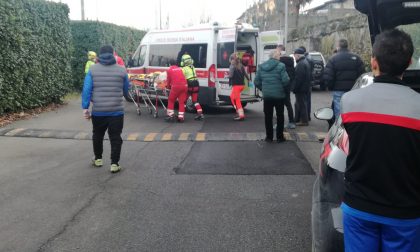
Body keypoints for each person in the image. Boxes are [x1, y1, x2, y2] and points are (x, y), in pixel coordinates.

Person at [340, 29, 420, 252]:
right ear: (409, 62)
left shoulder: (349, 101)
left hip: (359, 206)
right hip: (406, 211)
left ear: (373, 62)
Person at [82, 45, 129, 173]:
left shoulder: (92, 69)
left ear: (99, 55)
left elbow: (86, 90)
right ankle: (114, 164)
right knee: (115, 137)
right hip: (117, 111)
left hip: (98, 111)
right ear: (114, 54)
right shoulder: (122, 70)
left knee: (97, 135)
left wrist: (85, 108)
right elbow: (126, 89)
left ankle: (98, 159)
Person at [323, 39, 365, 119]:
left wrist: (330, 87)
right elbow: (362, 75)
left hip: (338, 90)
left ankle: (340, 129)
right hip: (353, 90)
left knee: (339, 112)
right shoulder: (356, 58)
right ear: (347, 46)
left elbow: (328, 77)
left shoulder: (333, 59)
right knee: (353, 110)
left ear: (338, 47)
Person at [254, 50, 289, 143]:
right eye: (279, 55)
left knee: (268, 116)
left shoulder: (262, 67)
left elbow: (256, 82)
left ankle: (269, 137)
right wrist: (282, 89)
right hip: (279, 96)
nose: (280, 57)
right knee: (280, 116)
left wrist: (263, 89)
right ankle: (279, 137)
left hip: (267, 96)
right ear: (275, 56)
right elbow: (286, 81)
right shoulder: (281, 66)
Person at [181, 53, 204, 120]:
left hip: (189, 85)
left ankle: (181, 115)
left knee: (184, 100)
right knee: (195, 101)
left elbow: (183, 78)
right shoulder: (193, 67)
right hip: (196, 84)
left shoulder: (184, 69)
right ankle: (200, 114)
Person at [277, 44, 296, 129]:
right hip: (287, 85)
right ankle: (291, 122)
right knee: (288, 104)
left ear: (280, 51)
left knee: (279, 105)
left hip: (280, 85)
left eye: (277, 50)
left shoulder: (279, 61)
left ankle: (280, 124)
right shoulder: (291, 60)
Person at [292, 47, 311, 126]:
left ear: (298, 55)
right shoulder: (305, 62)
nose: (294, 57)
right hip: (305, 88)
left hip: (301, 88)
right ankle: (299, 119)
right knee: (300, 104)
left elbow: (298, 79)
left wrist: (295, 88)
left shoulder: (301, 64)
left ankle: (304, 121)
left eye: (295, 56)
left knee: (301, 104)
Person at [229, 53, 249, 121]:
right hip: (242, 85)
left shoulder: (232, 66)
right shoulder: (241, 65)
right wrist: (249, 79)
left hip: (236, 86)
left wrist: (227, 76)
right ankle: (238, 112)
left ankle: (241, 115)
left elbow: (231, 76)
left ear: (232, 59)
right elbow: (246, 75)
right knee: (232, 97)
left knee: (236, 100)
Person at [299, 46, 313, 121]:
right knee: (308, 100)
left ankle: (306, 117)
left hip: (306, 83)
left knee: (305, 101)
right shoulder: (310, 58)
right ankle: (308, 116)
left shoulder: (306, 59)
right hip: (309, 83)